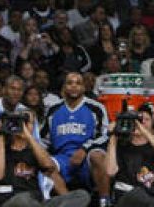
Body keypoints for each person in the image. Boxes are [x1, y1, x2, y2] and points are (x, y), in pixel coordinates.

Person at [0, 112, 90, 206]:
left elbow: (49, 166)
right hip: (9, 201)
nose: (22, 126)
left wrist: (29, 137)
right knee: (23, 199)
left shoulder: (35, 151)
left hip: (36, 202)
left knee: (81, 195)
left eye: (27, 123)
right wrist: (0, 136)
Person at [41, 72, 110, 207]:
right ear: (64, 87)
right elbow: (44, 139)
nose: (74, 86)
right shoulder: (53, 110)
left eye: (78, 83)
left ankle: (105, 201)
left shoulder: (96, 108)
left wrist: (84, 149)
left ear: (84, 87)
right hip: (62, 157)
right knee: (46, 164)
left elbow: (105, 135)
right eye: (70, 83)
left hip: (88, 155)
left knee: (97, 156)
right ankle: (69, 201)